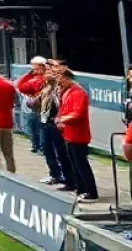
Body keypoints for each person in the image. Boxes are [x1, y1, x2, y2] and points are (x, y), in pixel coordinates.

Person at [56, 70, 98, 202]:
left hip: (78, 134)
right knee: (74, 163)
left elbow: (77, 114)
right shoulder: (67, 92)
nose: (59, 82)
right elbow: (64, 110)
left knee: (81, 163)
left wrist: (63, 120)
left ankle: (91, 191)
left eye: (60, 79)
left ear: (67, 78)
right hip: (69, 133)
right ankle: (80, 188)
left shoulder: (78, 93)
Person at [17, 57, 48, 154]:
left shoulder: (39, 79)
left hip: (41, 107)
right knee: (35, 126)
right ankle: (37, 145)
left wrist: (29, 75)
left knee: (39, 127)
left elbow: (21, 86)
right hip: (38, 107)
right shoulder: (37, 78)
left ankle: (41, 146)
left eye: (36, 68)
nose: (34, 70)